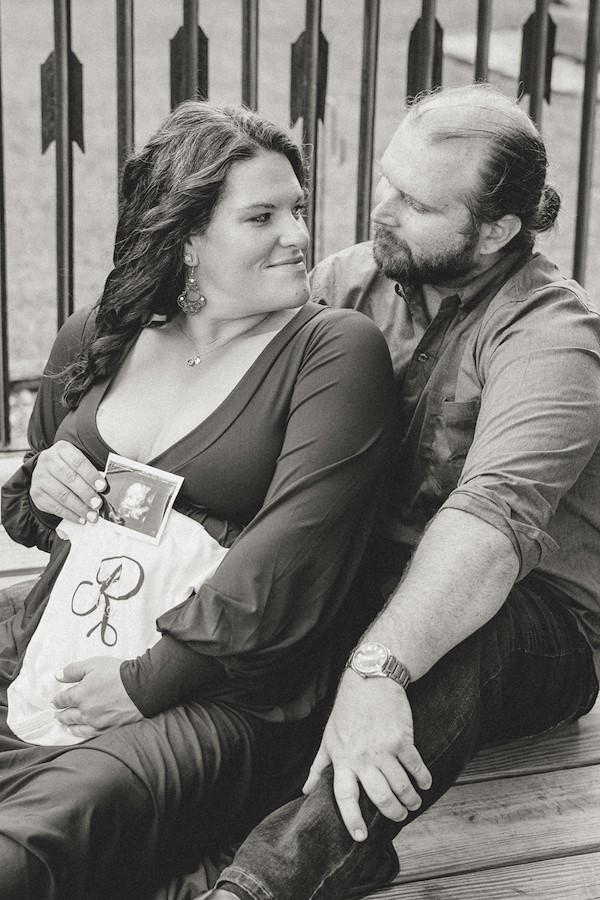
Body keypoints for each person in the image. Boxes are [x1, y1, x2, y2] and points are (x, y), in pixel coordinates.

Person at [200, 84, 600, 900]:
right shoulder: (353, 281)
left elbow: (490, 529)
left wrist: (378, 668)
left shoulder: (555, 336)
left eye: (415, 202)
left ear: (496, 230)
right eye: (387, 180)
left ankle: (264, 885)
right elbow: (224, 403)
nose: (380, 209)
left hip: (531, 620)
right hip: (363, 580)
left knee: (449, 642)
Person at [0, 99, 396, 899]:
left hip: (225, 699)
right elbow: (32, 514)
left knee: (40, 835)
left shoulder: (332, 351)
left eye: (297, 208)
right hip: (54, 642)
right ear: (185, 239)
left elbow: (289, 565)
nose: (298, 234)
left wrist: (145, 681)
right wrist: (44, 483)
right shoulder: (98, 335)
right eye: (262, 216)